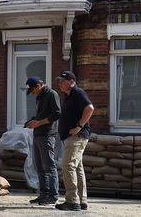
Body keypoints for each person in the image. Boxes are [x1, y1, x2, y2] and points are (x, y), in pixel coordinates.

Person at [55, 71, 94, 211]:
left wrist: (78, 126)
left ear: (72, 81)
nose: (60, 83)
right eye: (59, 81)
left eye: (62, 81)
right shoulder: (69, 95)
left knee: (67, 166)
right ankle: (82, 200)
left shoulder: (78, 92)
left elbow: (90, 108)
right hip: (72, 137)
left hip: (76, 137)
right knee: (77, 168)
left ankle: (72, 200)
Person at [25, 77, 61, 206]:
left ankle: (53, 195)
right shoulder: (39, 97)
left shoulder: (52, 94)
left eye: (33, 90)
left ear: (39, 85)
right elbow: (43, 115)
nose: (33, 93)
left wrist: (38, 123)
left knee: (49, 166)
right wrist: (33, 121)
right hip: (38, 134)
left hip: (47, 135)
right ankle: (44, 195)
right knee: (40, 166)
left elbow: (56, 114)